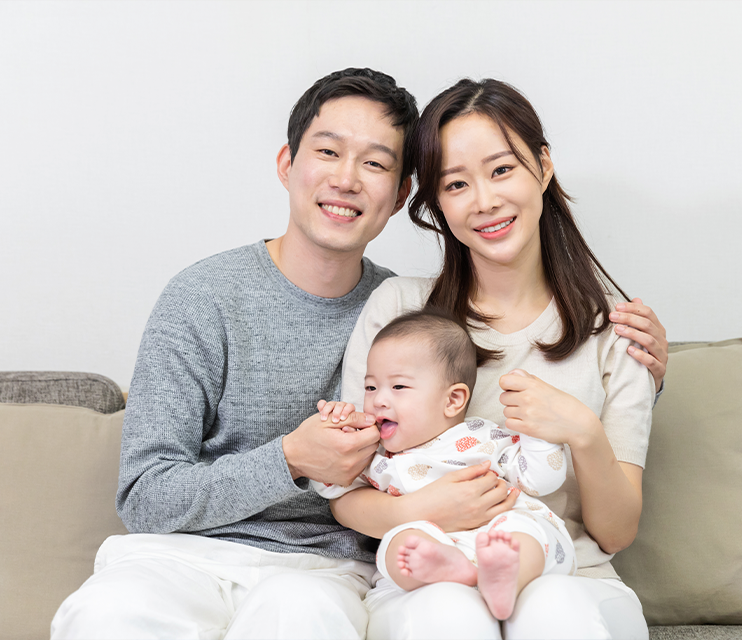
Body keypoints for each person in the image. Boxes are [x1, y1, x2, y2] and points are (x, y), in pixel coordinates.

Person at [50, 68, 667, 639]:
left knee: (541, 611)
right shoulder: (366, 308)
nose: (346, 178)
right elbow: (151, 495)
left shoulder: (591, 325)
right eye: (327, 151)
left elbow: (613, 516)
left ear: (400, 195)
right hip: (220, 560)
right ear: (287, 162)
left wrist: (606, 409)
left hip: (362, 573)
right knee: (113, 615)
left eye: (373, 163)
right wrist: (298, 459)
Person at [332, 78, 659, 639]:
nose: (483, 200)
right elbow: (345, 488)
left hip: (573, 575)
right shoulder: (400, 310)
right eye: (456, 184)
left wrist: (581, 431)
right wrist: (420, 510)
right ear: (436, 203)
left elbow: (616, 532)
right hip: (426, 580)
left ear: (544, 166)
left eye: (502, 169)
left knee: (554, 607)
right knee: (449, 613)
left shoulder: (616, 329)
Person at [313, 309, 576, 621]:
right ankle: (455, 569)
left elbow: (541, 479)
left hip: (500, 530)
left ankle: (506, 581)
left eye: (398, 387)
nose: (379, 400)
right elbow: (329, 485)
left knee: (522, 533)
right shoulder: (375, 455)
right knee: (398, 546)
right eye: (371, 387)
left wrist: (536, 432)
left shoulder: (484, 436)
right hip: (435, 545)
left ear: (452, 400)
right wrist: (336, 433)